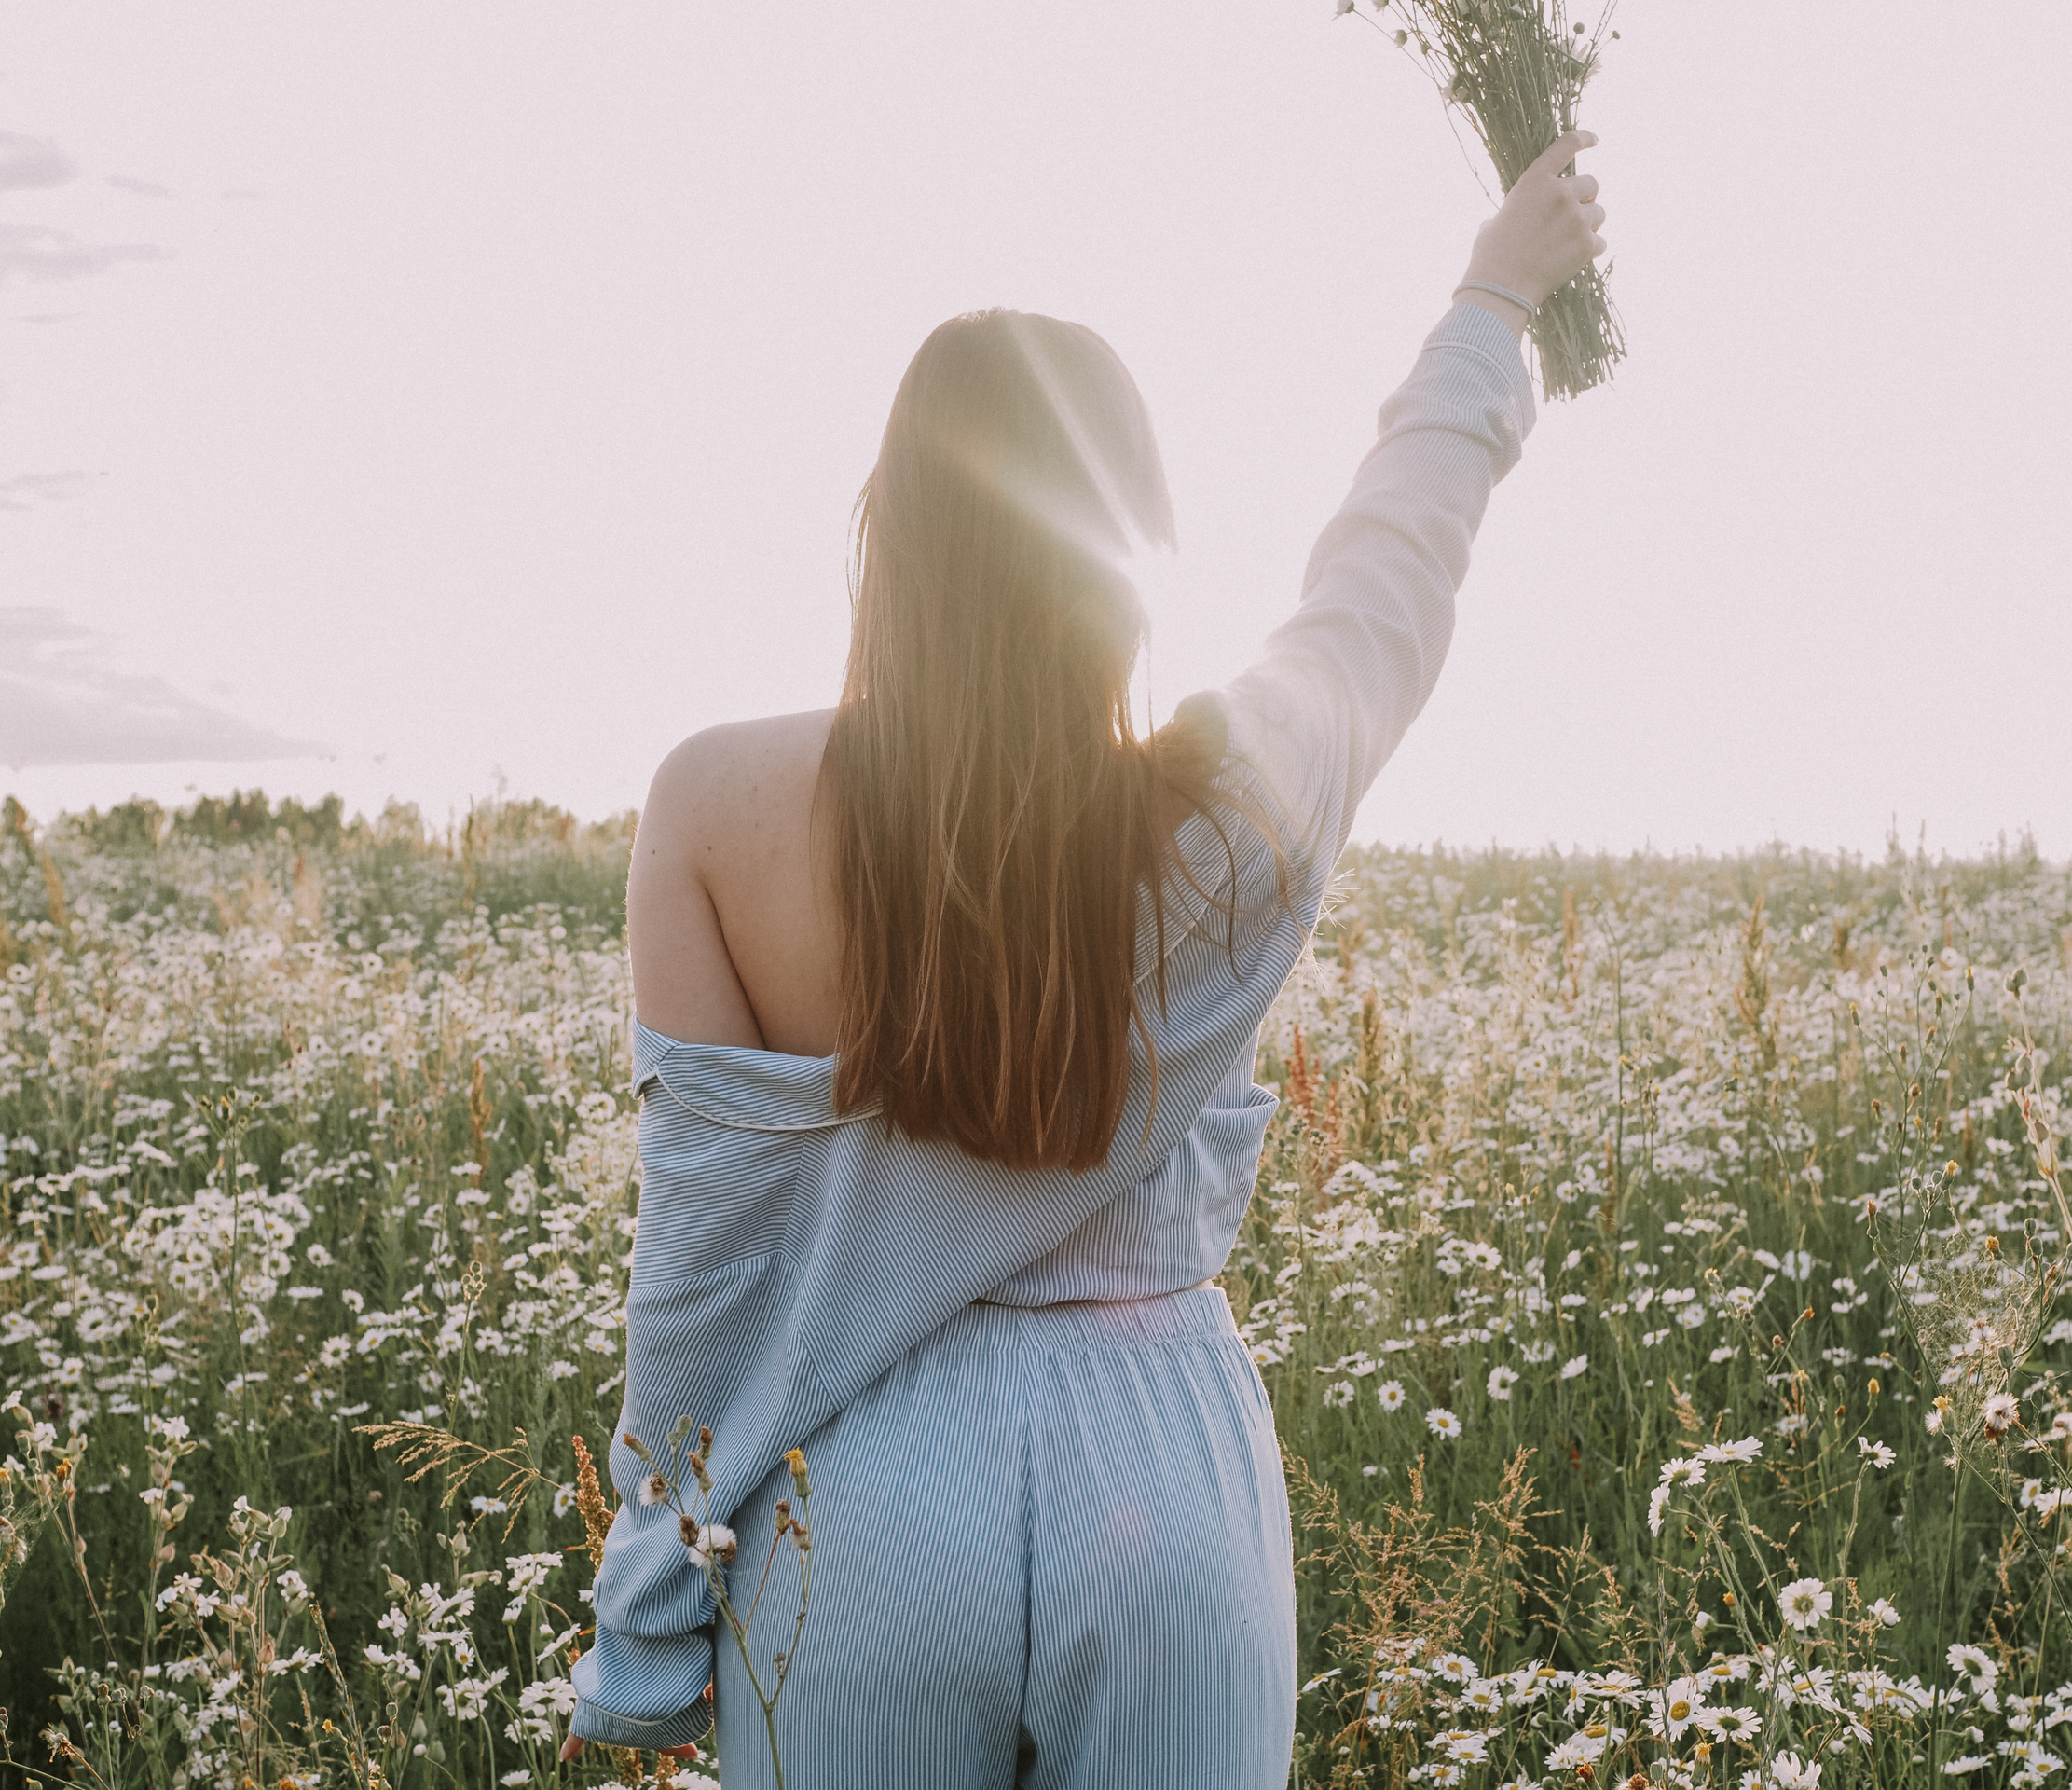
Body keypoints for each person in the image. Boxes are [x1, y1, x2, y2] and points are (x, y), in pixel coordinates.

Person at [558, 125, 1609, 1788]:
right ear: (1129, 553)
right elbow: (1387, 569)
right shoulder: (1226, 813)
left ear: (884, 526)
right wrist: (1495, 298)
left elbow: (699, 1261)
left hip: (859, 1491)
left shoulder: (714, 803)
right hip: (1161, 1464)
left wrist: (657, 1588)